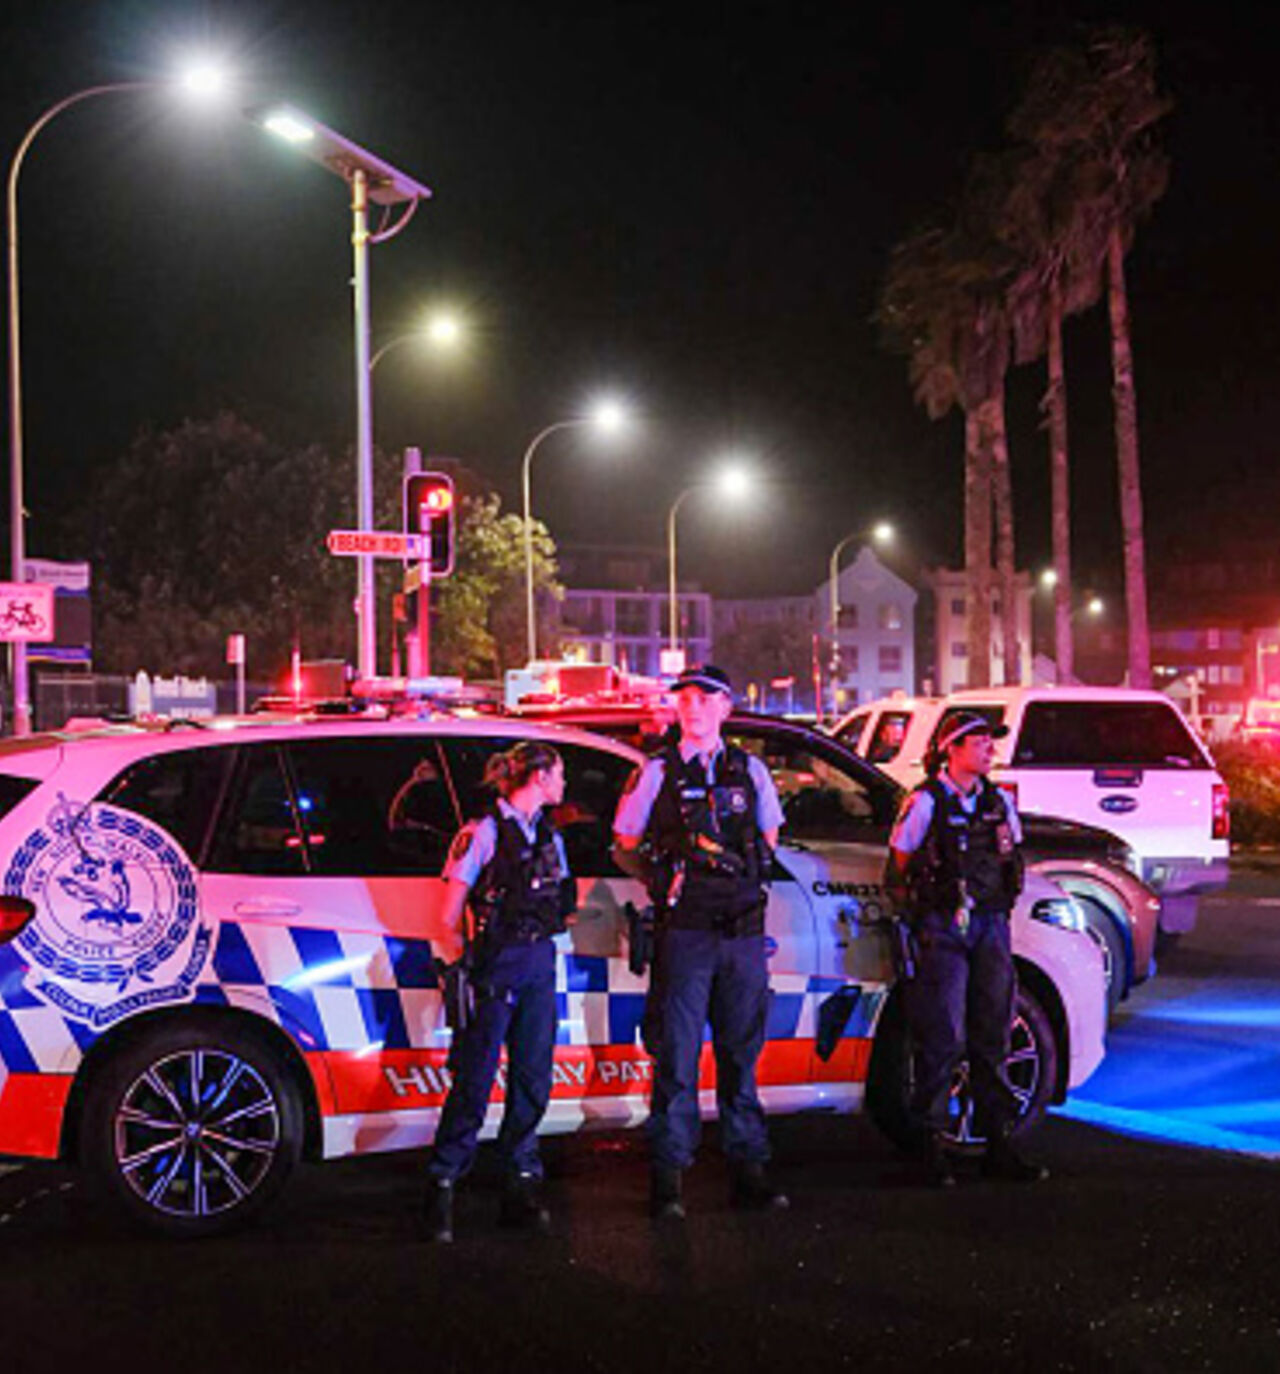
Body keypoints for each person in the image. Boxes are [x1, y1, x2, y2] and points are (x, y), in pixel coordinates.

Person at [613, 663, 790, 1218]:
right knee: (678, 1059)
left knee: (742, 1057)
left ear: (725, 709)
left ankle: (749, 1173)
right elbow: (623, 840)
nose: (690, 706)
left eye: (703, 697)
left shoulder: (749, 770)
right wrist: (657, 878)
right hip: (685, 932)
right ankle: (668, 1181)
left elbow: (769, 838)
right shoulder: (657, 772)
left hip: (740, 932)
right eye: (683, 697)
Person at [884, 710, 1049, 1187]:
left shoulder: (998, 802)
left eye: (988, 741)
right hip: (943, 930)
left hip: (991, 926)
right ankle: (930, 1148)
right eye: (978, 741)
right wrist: (918, 921)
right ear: (951, 749)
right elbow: (900, 864)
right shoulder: (925, 801)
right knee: (942, 1036)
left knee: (992, 1033)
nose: (988, 749)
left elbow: (1010, 856)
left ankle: (999, 1144)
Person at [423, 741, 576, 1242]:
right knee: (474, 1079)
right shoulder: (482, 832)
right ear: (538, 777)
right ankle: (443, 1187)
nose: (564, 783)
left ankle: (519, 1184)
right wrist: (457, 974)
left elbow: (561, 901)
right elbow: (448, 917)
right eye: (559, 773)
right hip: (496, 964)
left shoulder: (550, 835)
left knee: (533, 1078)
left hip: (538, 963)